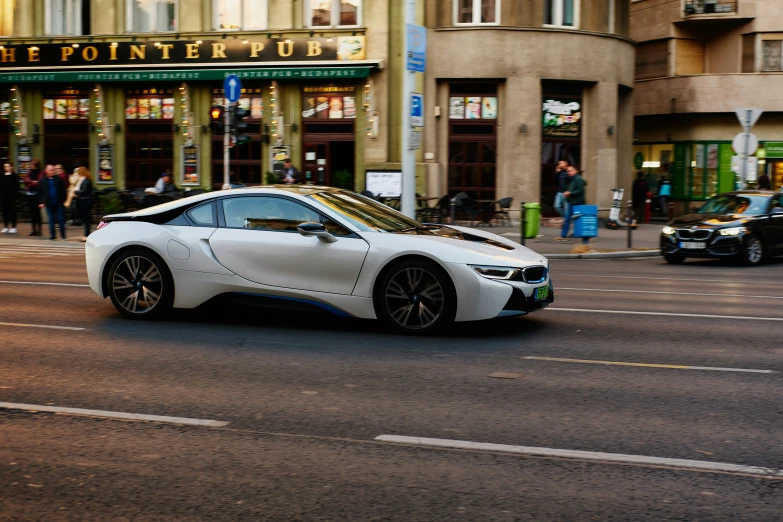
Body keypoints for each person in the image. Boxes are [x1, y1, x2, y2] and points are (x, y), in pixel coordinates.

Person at [557, 165, 588, 244]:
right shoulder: (572, 179)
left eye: (570, 171)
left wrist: (570, 193)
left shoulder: (578, 179)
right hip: (571, 202)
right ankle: (563, 236)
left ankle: (584, 237)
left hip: (577, 202)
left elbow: (580, 191)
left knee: (577, 219)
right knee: (568, 219)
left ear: (575, 171)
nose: (568, 172)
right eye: (568, 171)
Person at [38, 164, 67, 241]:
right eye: (51, 170)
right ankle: (53, 236)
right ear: (46, 171)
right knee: (51, 220)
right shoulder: (43, 180)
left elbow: (63, 191)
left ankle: (63, 236)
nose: (53, 171)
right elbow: (40, 192)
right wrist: (41, 202)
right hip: (49, 203)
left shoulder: (58, 179)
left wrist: (63, 200)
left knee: (61, 219)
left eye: (53, 170)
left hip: (59, 202)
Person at [23, 159, 42, 236]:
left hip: (37, 195)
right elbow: (25, 180)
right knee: (32, 213)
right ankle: (33, 230)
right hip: (29, 194)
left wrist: (30, 182)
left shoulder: (40, 173)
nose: (31, 166)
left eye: (32, 165)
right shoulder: (29, 172)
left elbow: (39, 182)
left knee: (37, 213)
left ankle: (39, 231)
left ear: (36, 166)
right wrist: (32, 182)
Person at [74, 166, 94, 241]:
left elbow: (84, 191)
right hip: (84, 200)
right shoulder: (84, 180)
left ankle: (87, 234)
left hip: (85, 201)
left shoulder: (86, 181)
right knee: (86, 218)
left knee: (86, 219)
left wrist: (76, 192)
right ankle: (86, 234)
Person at [1, 162, 18, 234]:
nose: (6, 168)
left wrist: (16, 197)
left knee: (12, 212)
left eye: (8, 166)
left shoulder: (14, 176)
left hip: (12, 198)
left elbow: (17, 187)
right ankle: (5, 226)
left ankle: (13, 227)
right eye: (5, 166)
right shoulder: (2, 175)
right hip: (3, 197)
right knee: (4, 212)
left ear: (11, 167)